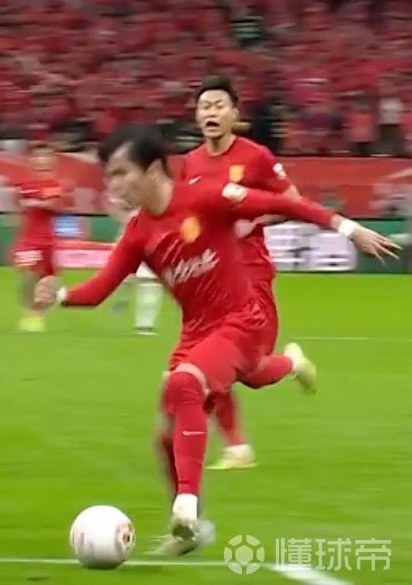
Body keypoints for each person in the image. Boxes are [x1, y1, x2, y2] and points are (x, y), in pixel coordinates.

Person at [34, 124, 397, 555]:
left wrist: (348, 229)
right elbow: (99, 290)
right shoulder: (138, 233)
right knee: (170, 436)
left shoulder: (205, 197)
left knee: (185, 382)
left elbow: (282, 203)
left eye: (120, 173)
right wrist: (59, 295)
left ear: (153, 170)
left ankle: (186, 511)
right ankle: (292, 366)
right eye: (108, 176)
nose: (112, 186)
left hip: (243, 321)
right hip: (199, 333)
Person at [183, 76, 304, 471]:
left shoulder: (256, 157)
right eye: (205, 106)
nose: (211, 112)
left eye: (219, 105)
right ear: (197, 116)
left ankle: (292, 363)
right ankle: (237, 448)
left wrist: (254, 220)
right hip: (210, 278)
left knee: (250, 370)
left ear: (234, 114)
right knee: (207, 360)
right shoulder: (190, 163)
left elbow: (292, 202)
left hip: (250, 272)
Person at [10, 142, 62, 332]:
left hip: (47, 240)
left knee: (47, 281)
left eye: (46, 156)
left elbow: (54, 205)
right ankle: (30, 312)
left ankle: (38, 315)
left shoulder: (55, 185)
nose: (42, 160)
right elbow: (16, 207)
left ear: (53, 160)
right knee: (27, 276)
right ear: (31, 160)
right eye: (38, 156)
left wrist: (38, 202)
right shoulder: (23, 186)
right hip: (27, 240)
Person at [108, 196, 164, 335]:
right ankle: (125, 299)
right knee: (143, 286)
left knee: (149, 288)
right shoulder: (137, 217)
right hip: (137, 251)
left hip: (148, 253)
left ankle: (144, 324)